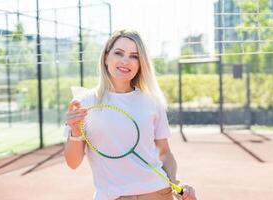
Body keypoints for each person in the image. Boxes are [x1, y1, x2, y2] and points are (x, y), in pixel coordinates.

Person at [64, 29, 197, 200]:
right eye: (119, 53)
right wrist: (75, 132)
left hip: (157, 193)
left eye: (134, 56)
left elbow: (164, 153)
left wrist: (176, 184)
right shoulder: (83, 104)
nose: (126, 61)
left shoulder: (152, 101)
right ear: (106, 57)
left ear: (140, 63)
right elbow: (72, 163)